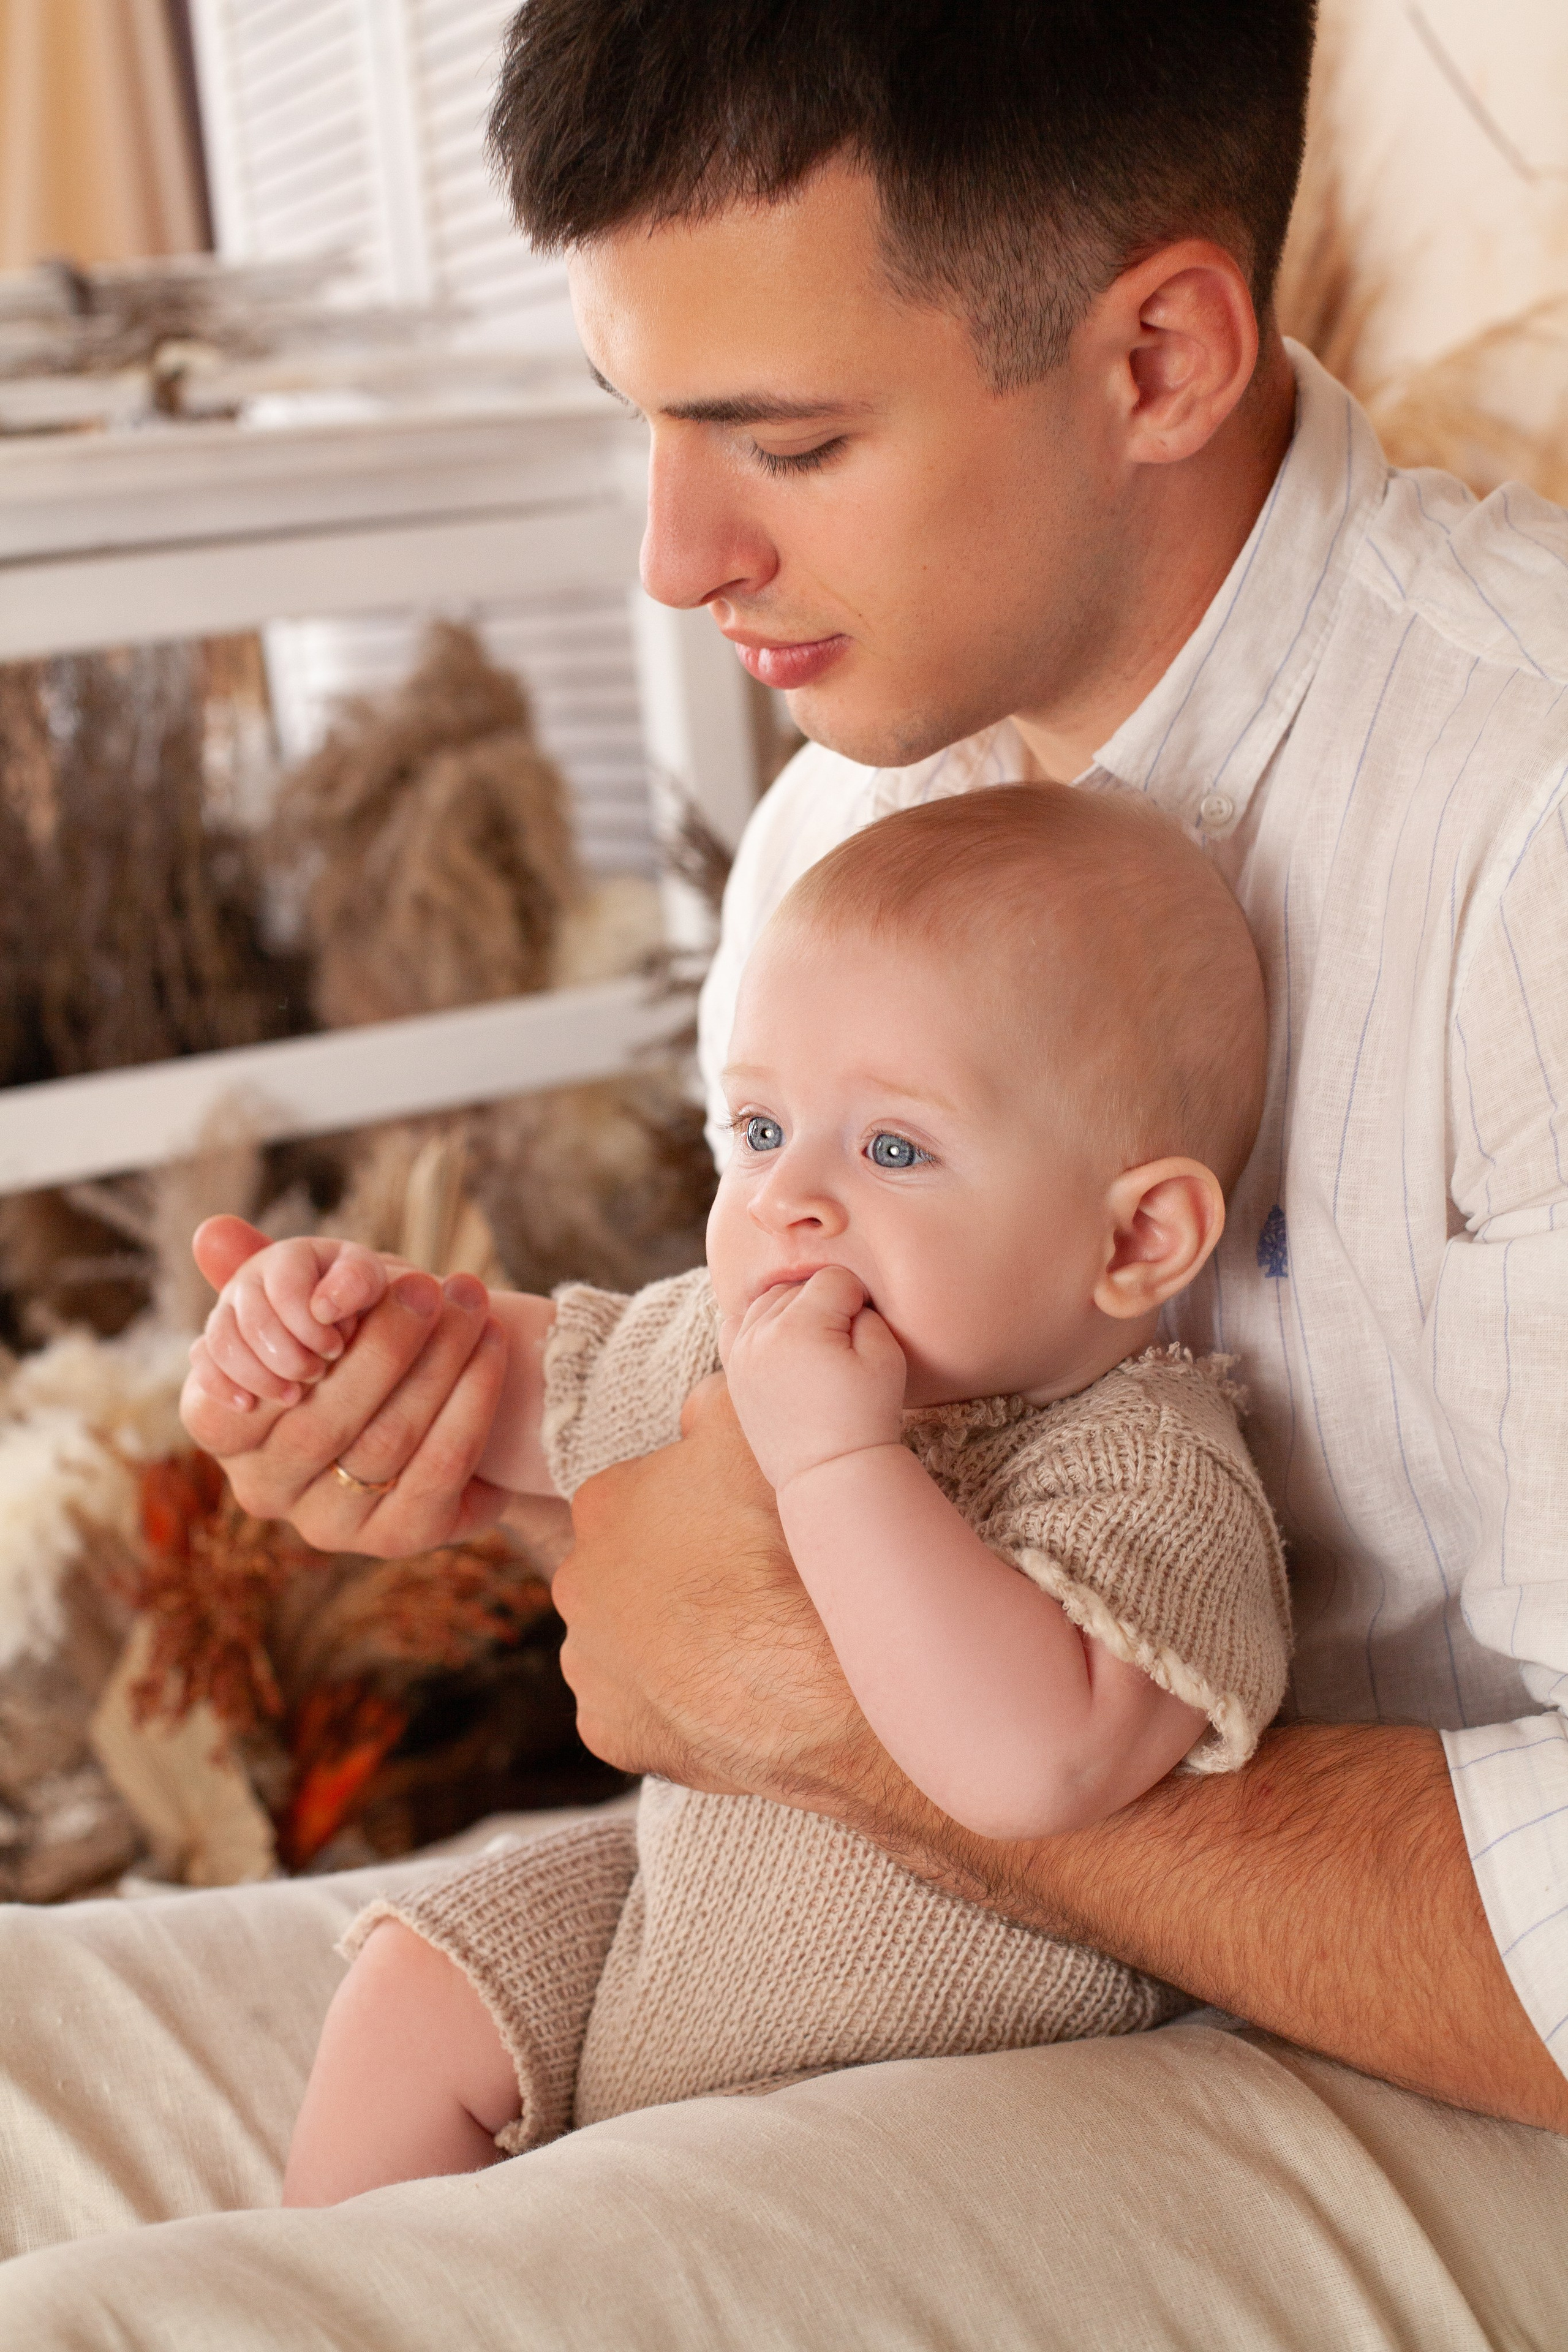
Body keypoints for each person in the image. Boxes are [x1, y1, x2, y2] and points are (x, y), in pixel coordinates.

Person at [2, 2, 1566, 2343]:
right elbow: (774, 1468)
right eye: (640, 419)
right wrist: (473, 1439)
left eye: (791, 441)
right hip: (844, 1931)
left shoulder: (1529, 827)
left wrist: (827, 1714)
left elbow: (819, 1662)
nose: (674, 558)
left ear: (1156, 355)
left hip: (1456, 2082)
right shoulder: (851, 823)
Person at [190, 786, 1287, 2203]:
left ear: (1134, 1239)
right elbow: (521, 1384)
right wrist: (340, 1328)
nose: (784, 1199)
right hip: (675, 1985)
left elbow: (1030, 1767)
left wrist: (838, 1464)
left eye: (891, 1149)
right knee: (414, 1985)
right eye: (759, 1129)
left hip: (933, 2107)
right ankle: (336, 2288)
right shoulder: (739, 1351)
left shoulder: (1144, 1464)